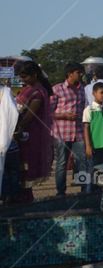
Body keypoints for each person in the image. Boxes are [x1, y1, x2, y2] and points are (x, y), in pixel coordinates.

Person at [12, 60, 53, 200]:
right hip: (23, 132)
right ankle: (22, 196)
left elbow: (30, 115)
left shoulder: (37, 92)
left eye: (25, 77)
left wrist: (18, 128)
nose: (22, 79)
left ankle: (25, 197)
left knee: (25, 166)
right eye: (21, 77)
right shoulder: (28, 89)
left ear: (34, 75)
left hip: (29, 134)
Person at [50, 62, 89, 196]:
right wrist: (64, 115)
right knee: (62, 163)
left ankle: (84, 190)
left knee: (82, 161)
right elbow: (47, 113)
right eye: (78, 72)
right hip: (61, 133)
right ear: (70, 74)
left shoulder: (82, 90)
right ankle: (61, 192)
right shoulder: (57, 89)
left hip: (78, 133)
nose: (81, 75)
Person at [82, 82, 103, 183]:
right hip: (94, 146)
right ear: (94, 93)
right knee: (93, 171)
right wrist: (88, 146)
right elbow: (86, 128)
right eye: (101, 93)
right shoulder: (89, 110)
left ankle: (102, 193)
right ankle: (90, 193)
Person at [0, 85, 20, 202]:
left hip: (6, 142)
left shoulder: (5, 92)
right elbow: (14, 113)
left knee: (9, 173)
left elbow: (13, 114)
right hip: (7, 141)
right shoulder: (6, 92)